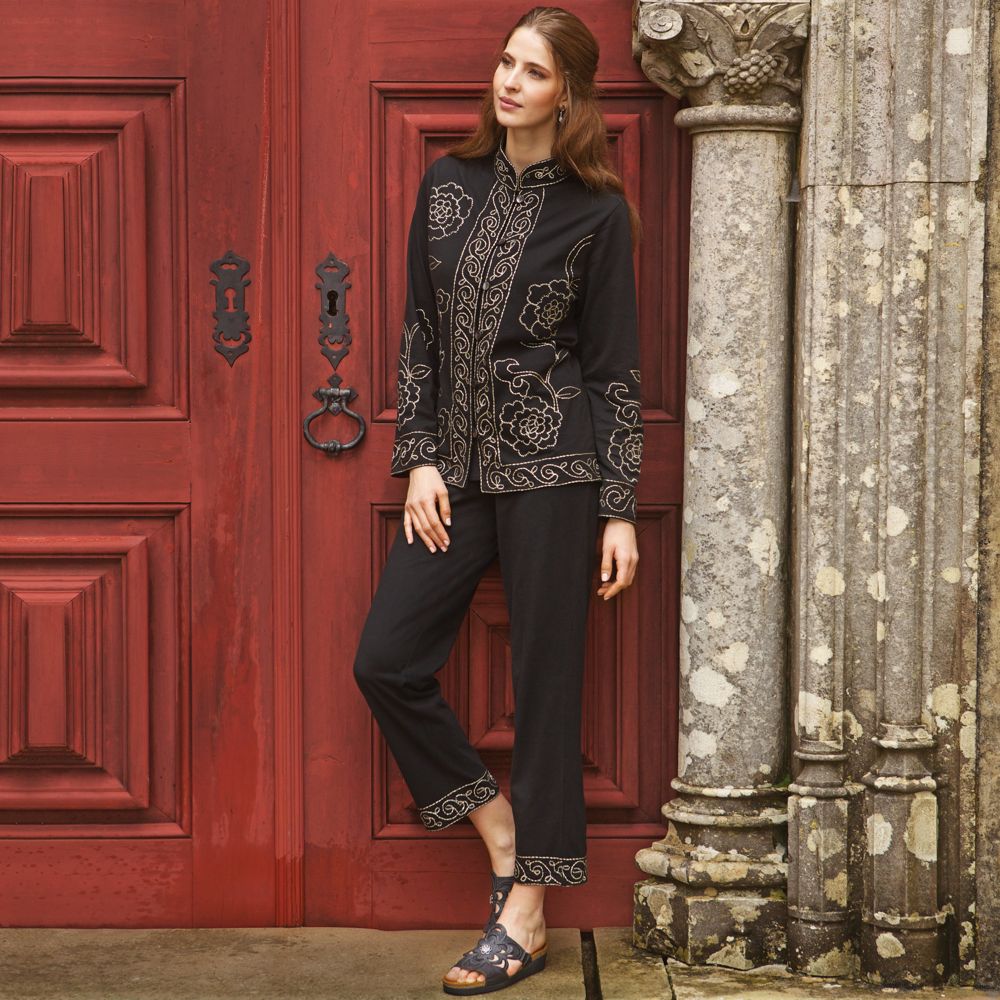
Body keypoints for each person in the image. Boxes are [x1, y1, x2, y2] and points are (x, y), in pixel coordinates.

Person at [352, 6, 644, 994]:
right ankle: (502, 832)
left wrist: (618, 507)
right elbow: (420, 335)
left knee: (547, 688)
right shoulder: (447, 185)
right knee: (386, 659)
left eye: (535, 71)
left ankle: (528, 909)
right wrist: (420, 459)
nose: (511, 82)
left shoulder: (598, 213)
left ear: (569, 94)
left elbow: (612, 369)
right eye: (506, 62)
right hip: (458, 478)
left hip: (557, 475)